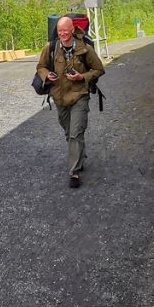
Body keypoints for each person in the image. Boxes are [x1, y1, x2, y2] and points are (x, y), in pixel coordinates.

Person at [36, 15, 105, 188]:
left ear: (72, 30)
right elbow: (41, 67)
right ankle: (79, 153)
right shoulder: (51, 47)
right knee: (69, 133)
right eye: (59, 31)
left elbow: (99, 69)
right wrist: (47, 75)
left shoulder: (85, 49)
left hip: (79, 95)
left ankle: (74, 172)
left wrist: (82, 76)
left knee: (75, 133)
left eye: (65, 30)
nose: (62, 34)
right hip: (59, 97)